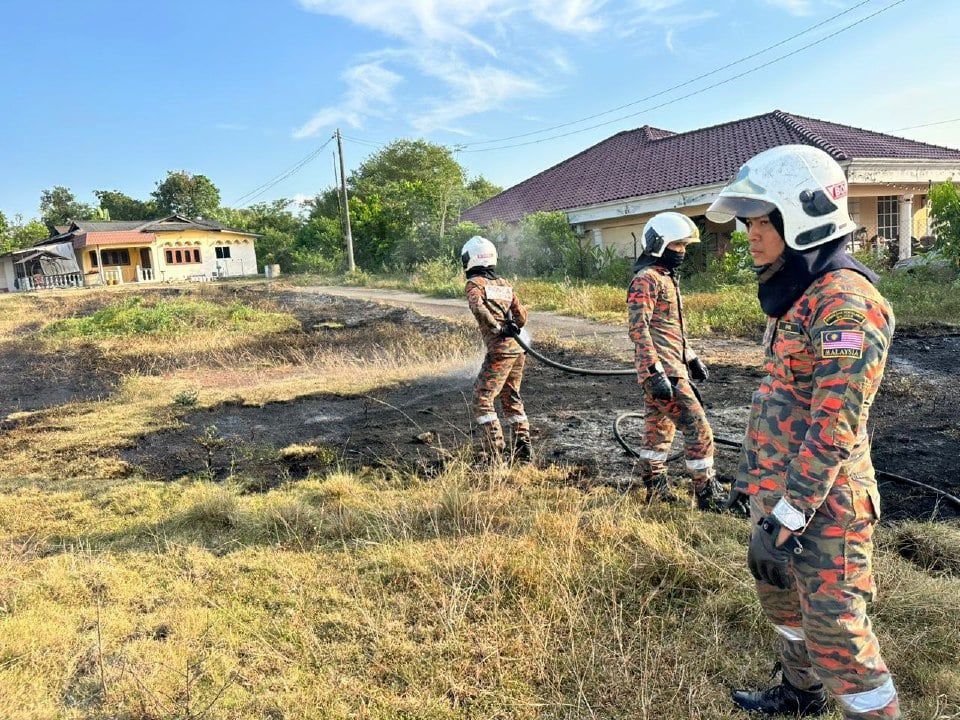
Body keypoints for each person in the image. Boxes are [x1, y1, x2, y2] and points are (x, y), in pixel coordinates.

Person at [706, 145, 900, 719]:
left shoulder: (845, 305)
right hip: (780, 498)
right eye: (747, 223)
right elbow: (779, 397)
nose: (750, 235)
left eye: (762, 221)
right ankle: (800, 694)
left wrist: (786, 520)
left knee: (838, 637)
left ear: (803, 216)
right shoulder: (798, 293)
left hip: (825, 509)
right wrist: (753, 486)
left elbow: (833, 428)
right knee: (785, 607)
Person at [627, 212, 724, 509]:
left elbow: (669, 328)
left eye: (684, 246)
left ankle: (655, 488)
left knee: (658, 430)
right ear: (659, 244)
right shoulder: (646, 280)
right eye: (677, 245)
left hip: (672, 367)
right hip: (663, 372)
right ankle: (707, 493)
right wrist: (653, 371)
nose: (682, 251)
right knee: (697, 428)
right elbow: (639, 328)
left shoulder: (666, 278)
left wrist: (691, 357)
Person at [461, 235, 532, 463]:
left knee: (482, 398)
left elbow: (478, 308)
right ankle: (523, 449)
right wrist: (513, 326)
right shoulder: (504, 284)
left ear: (471, 259)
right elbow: (521, 316)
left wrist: (497, 328)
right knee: (511, 397)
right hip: (518, 350)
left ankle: (495, 452)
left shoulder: (474, 285)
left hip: (500, 351)